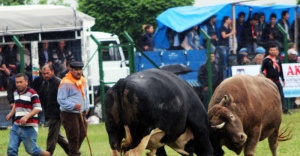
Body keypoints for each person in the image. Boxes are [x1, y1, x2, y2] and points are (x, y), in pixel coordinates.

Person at [5, 73, 50, 156]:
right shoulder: (15, 93)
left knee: (32, 150)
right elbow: (16, 103)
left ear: (26, 82)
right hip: (17, 125)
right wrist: (11, 113)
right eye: (17, 82)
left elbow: (38, 108)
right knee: (11, 149)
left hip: (29, 126)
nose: (18, 84)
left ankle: (47, 154)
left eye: (20, 82)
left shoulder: (32, 93)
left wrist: (26, 117)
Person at [57, 61, 89, 156]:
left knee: (82, 133)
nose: (78, 72)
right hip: (69, 113)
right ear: (70, 70)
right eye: (76, 70)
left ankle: (73, 152)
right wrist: (73, 106)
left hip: (80, 112)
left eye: (80, 69)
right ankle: (74, 153)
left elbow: (85, 95)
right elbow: (61, 99)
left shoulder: (82, 80)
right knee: (74, 136)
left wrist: (86, 106)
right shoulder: (66, 82)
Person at [40, 64, 69, 155]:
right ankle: (72, 152)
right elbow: (43, 97)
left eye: (47, 73)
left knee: (51, 135)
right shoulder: (45, 83)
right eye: (44, 73)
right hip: (49, 113)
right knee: (57, 136)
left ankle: (49, 153)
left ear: (52, 71)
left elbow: (64, 99)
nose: (45, 75)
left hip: (57, 114)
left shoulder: (59, 83)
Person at [261, 45, 289, 114]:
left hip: (277, 80)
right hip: (270, 80)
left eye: (274, 50)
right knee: (270, 96)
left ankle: (284, 109)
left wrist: (283, 79)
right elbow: (262, 70)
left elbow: (281, 70)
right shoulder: (266, 60)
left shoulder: (278, 60)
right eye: (271, 50)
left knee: (281, 95)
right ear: (269, 51)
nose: (273, 52)